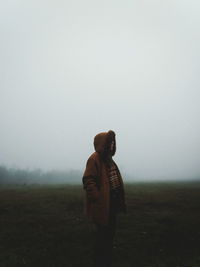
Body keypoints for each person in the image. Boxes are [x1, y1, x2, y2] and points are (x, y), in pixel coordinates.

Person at [82, 130, 126, 267]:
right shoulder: (94, 158)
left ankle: (106, 259)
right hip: (102, 204)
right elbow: (88, 179)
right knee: (102, 234)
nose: (112, 145)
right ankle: (100, 261)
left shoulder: (109, 159)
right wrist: (97, 197)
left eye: (113, 143)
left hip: (111, 203)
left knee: (110, 233)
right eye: (109, 143)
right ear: (103, 144)